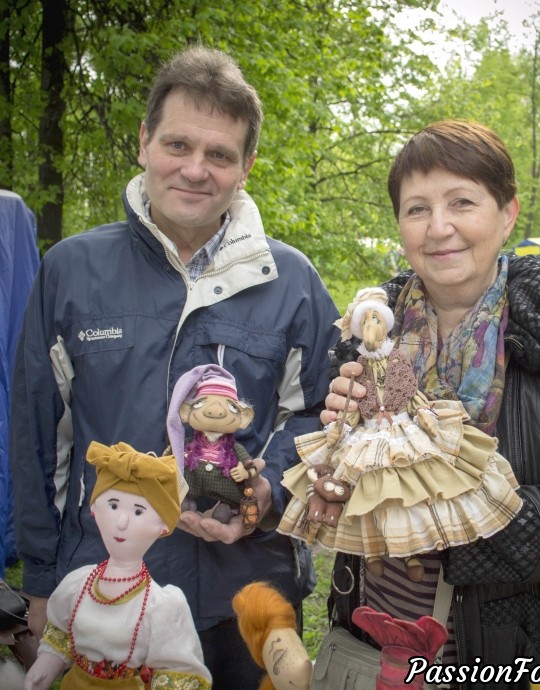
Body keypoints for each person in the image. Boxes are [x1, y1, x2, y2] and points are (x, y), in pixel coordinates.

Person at [10, 45, 340, 689]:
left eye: (219, 154)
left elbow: (321, 417)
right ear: (144, 142)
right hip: (107, 595)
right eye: (177, 145)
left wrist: (266, 491)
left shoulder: (292, 282)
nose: (195, 169)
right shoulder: (71, 272)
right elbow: (38, 439)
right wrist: (44, 582)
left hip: (249, 598)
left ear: (246, 167)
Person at [322, 120, 540, 688]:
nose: (439, 227)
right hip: (375, 643)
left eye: (461, 202)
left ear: (507, 214)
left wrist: (461, 512)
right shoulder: (368, 335)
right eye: (417, 209)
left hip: (510, 650)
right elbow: (343, 485)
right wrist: (336, 458)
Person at [278, 286, 522, 583]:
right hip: (370, 430)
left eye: (376, 319)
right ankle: (372, 553)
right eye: (366, 321)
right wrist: (340, 425)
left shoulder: (397, 360)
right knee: (371, 490)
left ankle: (410, 554)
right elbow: (353, 402)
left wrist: (425, 415)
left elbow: (411, 394)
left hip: (401, 425)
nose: (372, 326)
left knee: (403, 489)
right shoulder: (357, 366)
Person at [24, 441, 211, 689]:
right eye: (113, 505)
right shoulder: (78, 584)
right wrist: (46, 664)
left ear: (164, 526)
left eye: (138, 511)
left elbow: (176, 671)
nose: (121, 522)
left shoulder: (161, 605)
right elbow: (62, 635)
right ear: (94, 508)